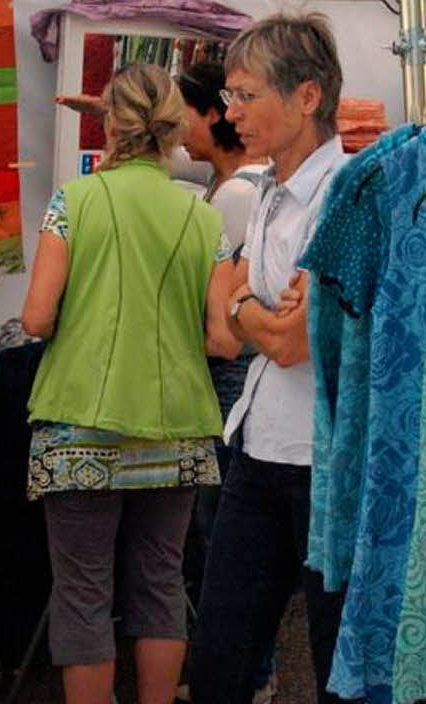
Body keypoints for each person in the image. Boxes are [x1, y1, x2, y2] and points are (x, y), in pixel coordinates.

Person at [22, 62, 240, 704]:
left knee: (84, 591)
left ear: (108, 127)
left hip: (79, 425)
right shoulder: (204, 218)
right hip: (176, 427)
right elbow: (223, 341)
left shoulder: (74, 200)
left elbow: (36, 317)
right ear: (175, 126)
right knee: (160, 584)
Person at [188, 13, 352, 704]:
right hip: (259, 446)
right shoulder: (265, 189)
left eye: (247, 95)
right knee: (221, 656)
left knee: (337, 660)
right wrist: (249, 306)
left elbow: (291, 341)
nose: (232, 113)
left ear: (307, 96)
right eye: (228, 97)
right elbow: (226, 329)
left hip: (325, 463)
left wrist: (240, 303)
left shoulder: (344, 194)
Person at [175, 62, 278, 704]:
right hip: (239, 374)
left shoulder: (238, 194)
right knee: (232, 538)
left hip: (229, 377)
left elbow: (225, 311)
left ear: (213, 113)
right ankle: (246, 673)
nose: (175, 131)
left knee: (229, 540)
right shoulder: (235, 186)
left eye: (180, 114)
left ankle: (250, 677)